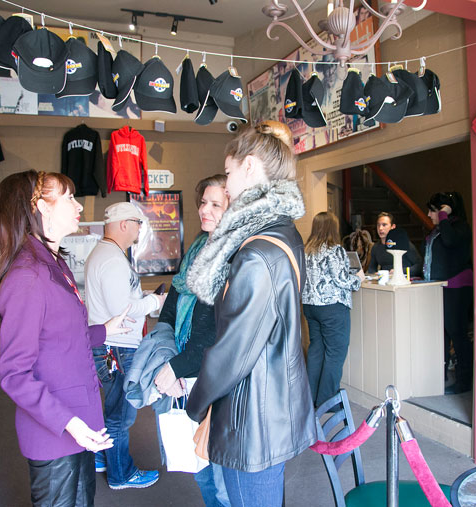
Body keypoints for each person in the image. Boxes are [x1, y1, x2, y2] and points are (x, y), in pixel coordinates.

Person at [185, 121, 317, 506]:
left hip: (252, 417)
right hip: (269, 401)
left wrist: (196, 404)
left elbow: (234, 353)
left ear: (250, 166)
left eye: (228, 173)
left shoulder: (257, 253)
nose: (225, 186)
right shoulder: (282, 232)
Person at [0, 170, 132, 506]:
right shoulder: (30, 275)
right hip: (57, 430)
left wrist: (105, 330)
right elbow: (14, 375)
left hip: (78, 425)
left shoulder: (52, 262)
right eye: (68, 197)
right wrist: (68, 422)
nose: (78, 205)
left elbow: (60, 335)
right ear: (41, 207)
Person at [152, 174, 231, 507]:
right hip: (188, 371)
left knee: (220, 471)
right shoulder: (198, 247)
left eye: (216, 204)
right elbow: (171, 307)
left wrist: (177, 366)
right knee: (200, 465)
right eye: (203, 202)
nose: (204, 210)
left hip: (216, 379)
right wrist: (171, 358)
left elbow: (215, 332)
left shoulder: (232, 255)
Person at [84, 201, 167, 490]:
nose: (138, 230)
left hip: (111, 345)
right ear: (123, 224)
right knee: (122, 414)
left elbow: (121, 298)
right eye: (137, 224)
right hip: (117, 347)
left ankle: (104, 456)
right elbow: (123, 308)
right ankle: (121, 474)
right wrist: (155, 301)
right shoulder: (111, 258)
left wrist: (142, 297)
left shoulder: (107, 254)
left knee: (115, 407)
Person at [303, 211, 364, 407]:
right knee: (335, 353)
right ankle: (327, 402)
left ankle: (311, 398)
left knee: (316, 350)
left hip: (310, 306)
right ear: (333, 228)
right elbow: (342, 279)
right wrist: (359, 279)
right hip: (332, 307)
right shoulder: (334, 250)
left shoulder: (306, 250)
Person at [424, 191, 473, 394]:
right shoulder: (439, 230)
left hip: (457, 287)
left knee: (458, 334)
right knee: (442, 335)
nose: (428, 214)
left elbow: (450, 241)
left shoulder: (459, 228)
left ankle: (464, 382)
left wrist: (444, 214)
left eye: (433, 211)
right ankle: (440, 375)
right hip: (441, 287)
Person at [367, 212, 422, 276]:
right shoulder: (376, 247)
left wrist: (401, 271)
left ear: (393, 227)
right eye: (378, 225)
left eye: (384, 225)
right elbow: (371, 268)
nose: (380, 228)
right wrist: (375, 274)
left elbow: (419, 265)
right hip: (386, 281)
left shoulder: (403, 244)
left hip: (404, 279)